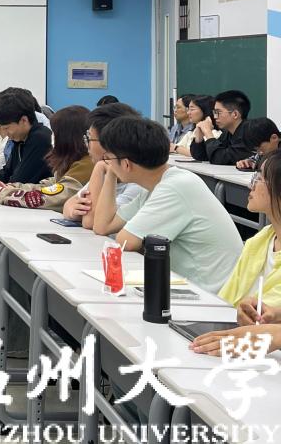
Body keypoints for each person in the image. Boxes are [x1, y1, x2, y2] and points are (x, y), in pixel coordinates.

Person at [91, 116, 242, 293]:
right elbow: (102, 226)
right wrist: (111, 174)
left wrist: (110, 170)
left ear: (125, 164)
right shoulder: (157, 184)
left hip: (210, 294)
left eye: (108, 158)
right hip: (187, 286)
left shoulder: (175, 187)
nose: (106, 162)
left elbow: (126, 241)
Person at [216, 151, 281, 322]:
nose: (250, 186)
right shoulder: (260, 241)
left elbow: (263, 316)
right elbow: (225, 301)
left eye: (259, 179)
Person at [0, 105, 94, 210]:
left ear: (67, 137)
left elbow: (52, 197)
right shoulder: (74, 162)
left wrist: (1, 193)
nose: (52, 137)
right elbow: (49, 187)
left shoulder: (87, 165)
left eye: (55, 133)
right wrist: (11, 187)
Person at [61, 102, 145, 226]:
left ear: (108, 142)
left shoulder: (137, 184)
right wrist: (72, 210)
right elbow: (69, 204)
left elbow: (91, 222)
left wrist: (99, 167)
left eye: (89, 138)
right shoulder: (106, 173)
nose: (87, 145)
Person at [190, 89, 253, 165]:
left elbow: (220, 158)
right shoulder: (227, 133)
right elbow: (203, 156)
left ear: (235, 114)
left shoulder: (249, 133)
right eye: (214, 112)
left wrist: (208, 132)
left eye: (218, 112)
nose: (215, 117)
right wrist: (199, 139)